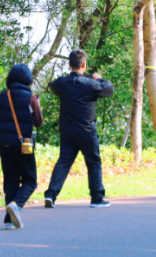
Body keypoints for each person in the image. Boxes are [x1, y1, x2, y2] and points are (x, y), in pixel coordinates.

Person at [43, 49, 115, 208]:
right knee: (94, 163)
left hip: (68, 131)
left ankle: (51, 195)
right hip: (87, 132)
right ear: (84, 64)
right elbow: (109, 90)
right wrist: (100, 79)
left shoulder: (62, 83)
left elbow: (53, 86)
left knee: (63, 162)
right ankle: (96, 198)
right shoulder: (92, 84)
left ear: (69, 64)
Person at [0, 63, 44, 229]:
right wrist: (38, 105)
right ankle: (17, 205)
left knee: (11, 182)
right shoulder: (30, 97)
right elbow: (38, 122)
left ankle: (9, 220)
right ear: (27, 79)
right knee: (30, 180)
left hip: (4, 144)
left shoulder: (3, 95)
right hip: (24, 145)